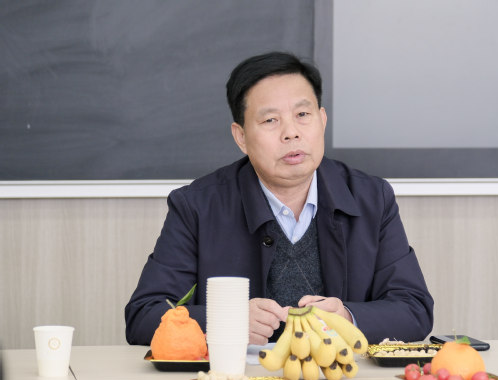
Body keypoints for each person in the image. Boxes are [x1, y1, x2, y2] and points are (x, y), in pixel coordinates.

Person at [125, 51, 434, 346]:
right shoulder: (197, 206)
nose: (291, 133)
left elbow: (414, 309)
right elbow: (144, 316)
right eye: (270, 120)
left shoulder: (371, 199)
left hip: (338, 375)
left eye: (303, 115)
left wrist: (347, 318)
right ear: (241, 137)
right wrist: (226, 320)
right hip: (236, 377)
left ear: (322, 120)